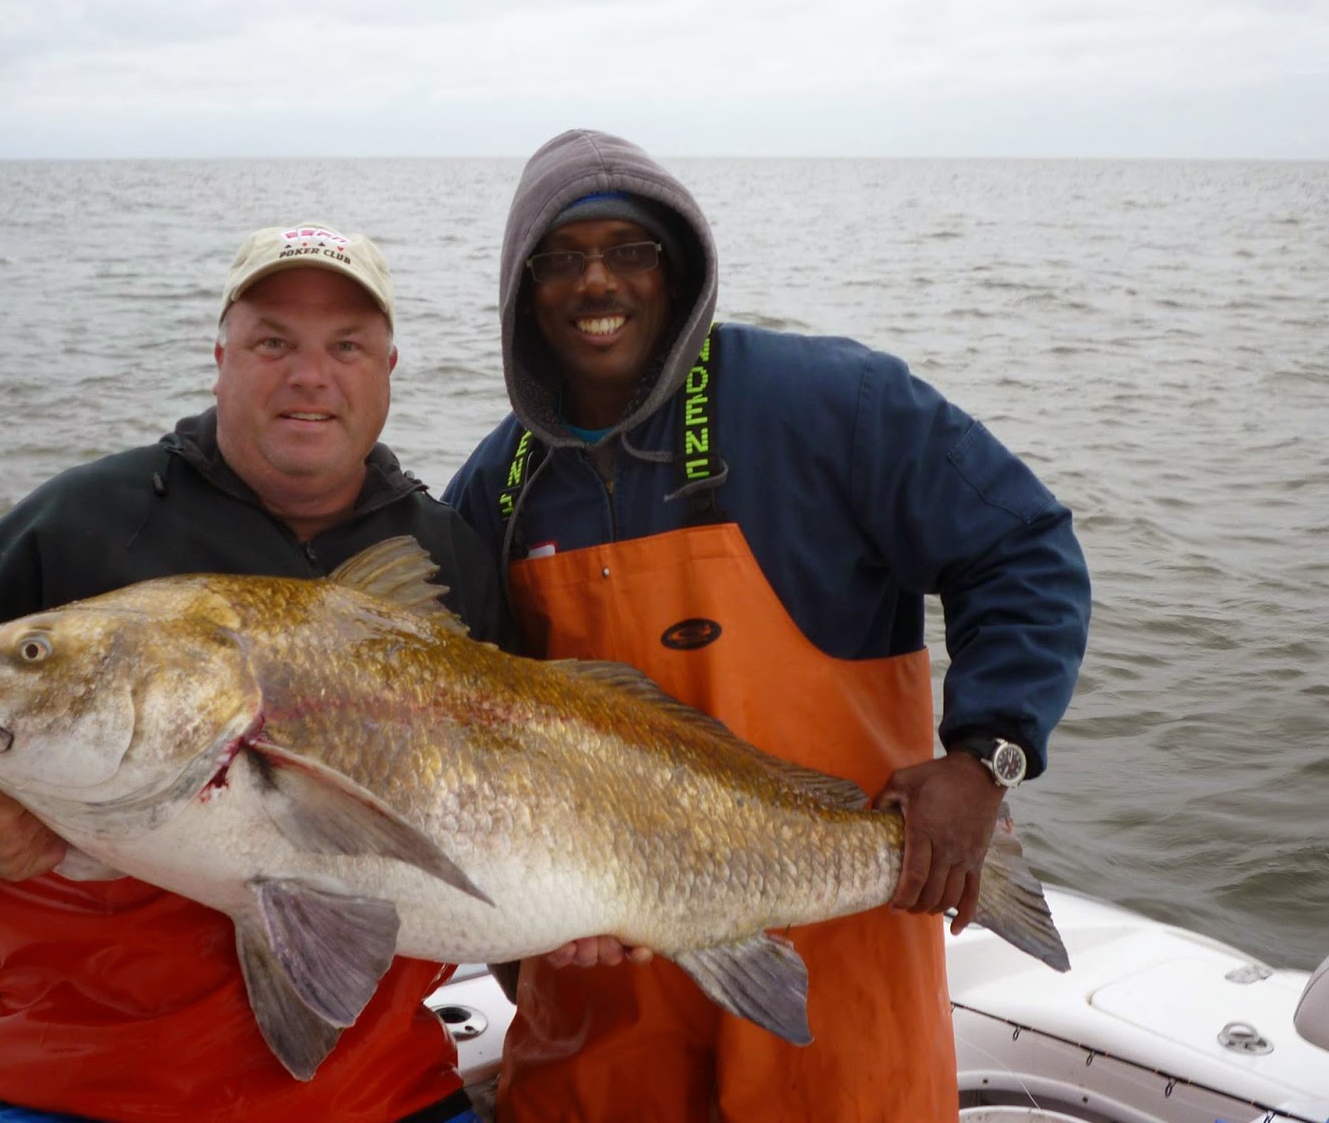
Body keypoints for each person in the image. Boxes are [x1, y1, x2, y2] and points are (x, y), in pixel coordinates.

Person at [444, 130, 1091, 1121]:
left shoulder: (833, 404)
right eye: (560, 259)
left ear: (676, 268)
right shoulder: (493, 490)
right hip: (605, 1019)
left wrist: (985, 759)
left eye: (628, 250)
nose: (596, 281)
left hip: (840, 986)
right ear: (522, 292)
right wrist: (525, 932)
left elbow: (1024, 549)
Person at [0, 221, 511, 1123]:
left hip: (380, 1089)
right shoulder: (76, 524)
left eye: (346, 347)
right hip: (72, 1087)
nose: (310, 376)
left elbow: (526, 783)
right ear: (221, 358)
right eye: (273, 342)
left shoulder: (447, 557)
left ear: (388, 370)